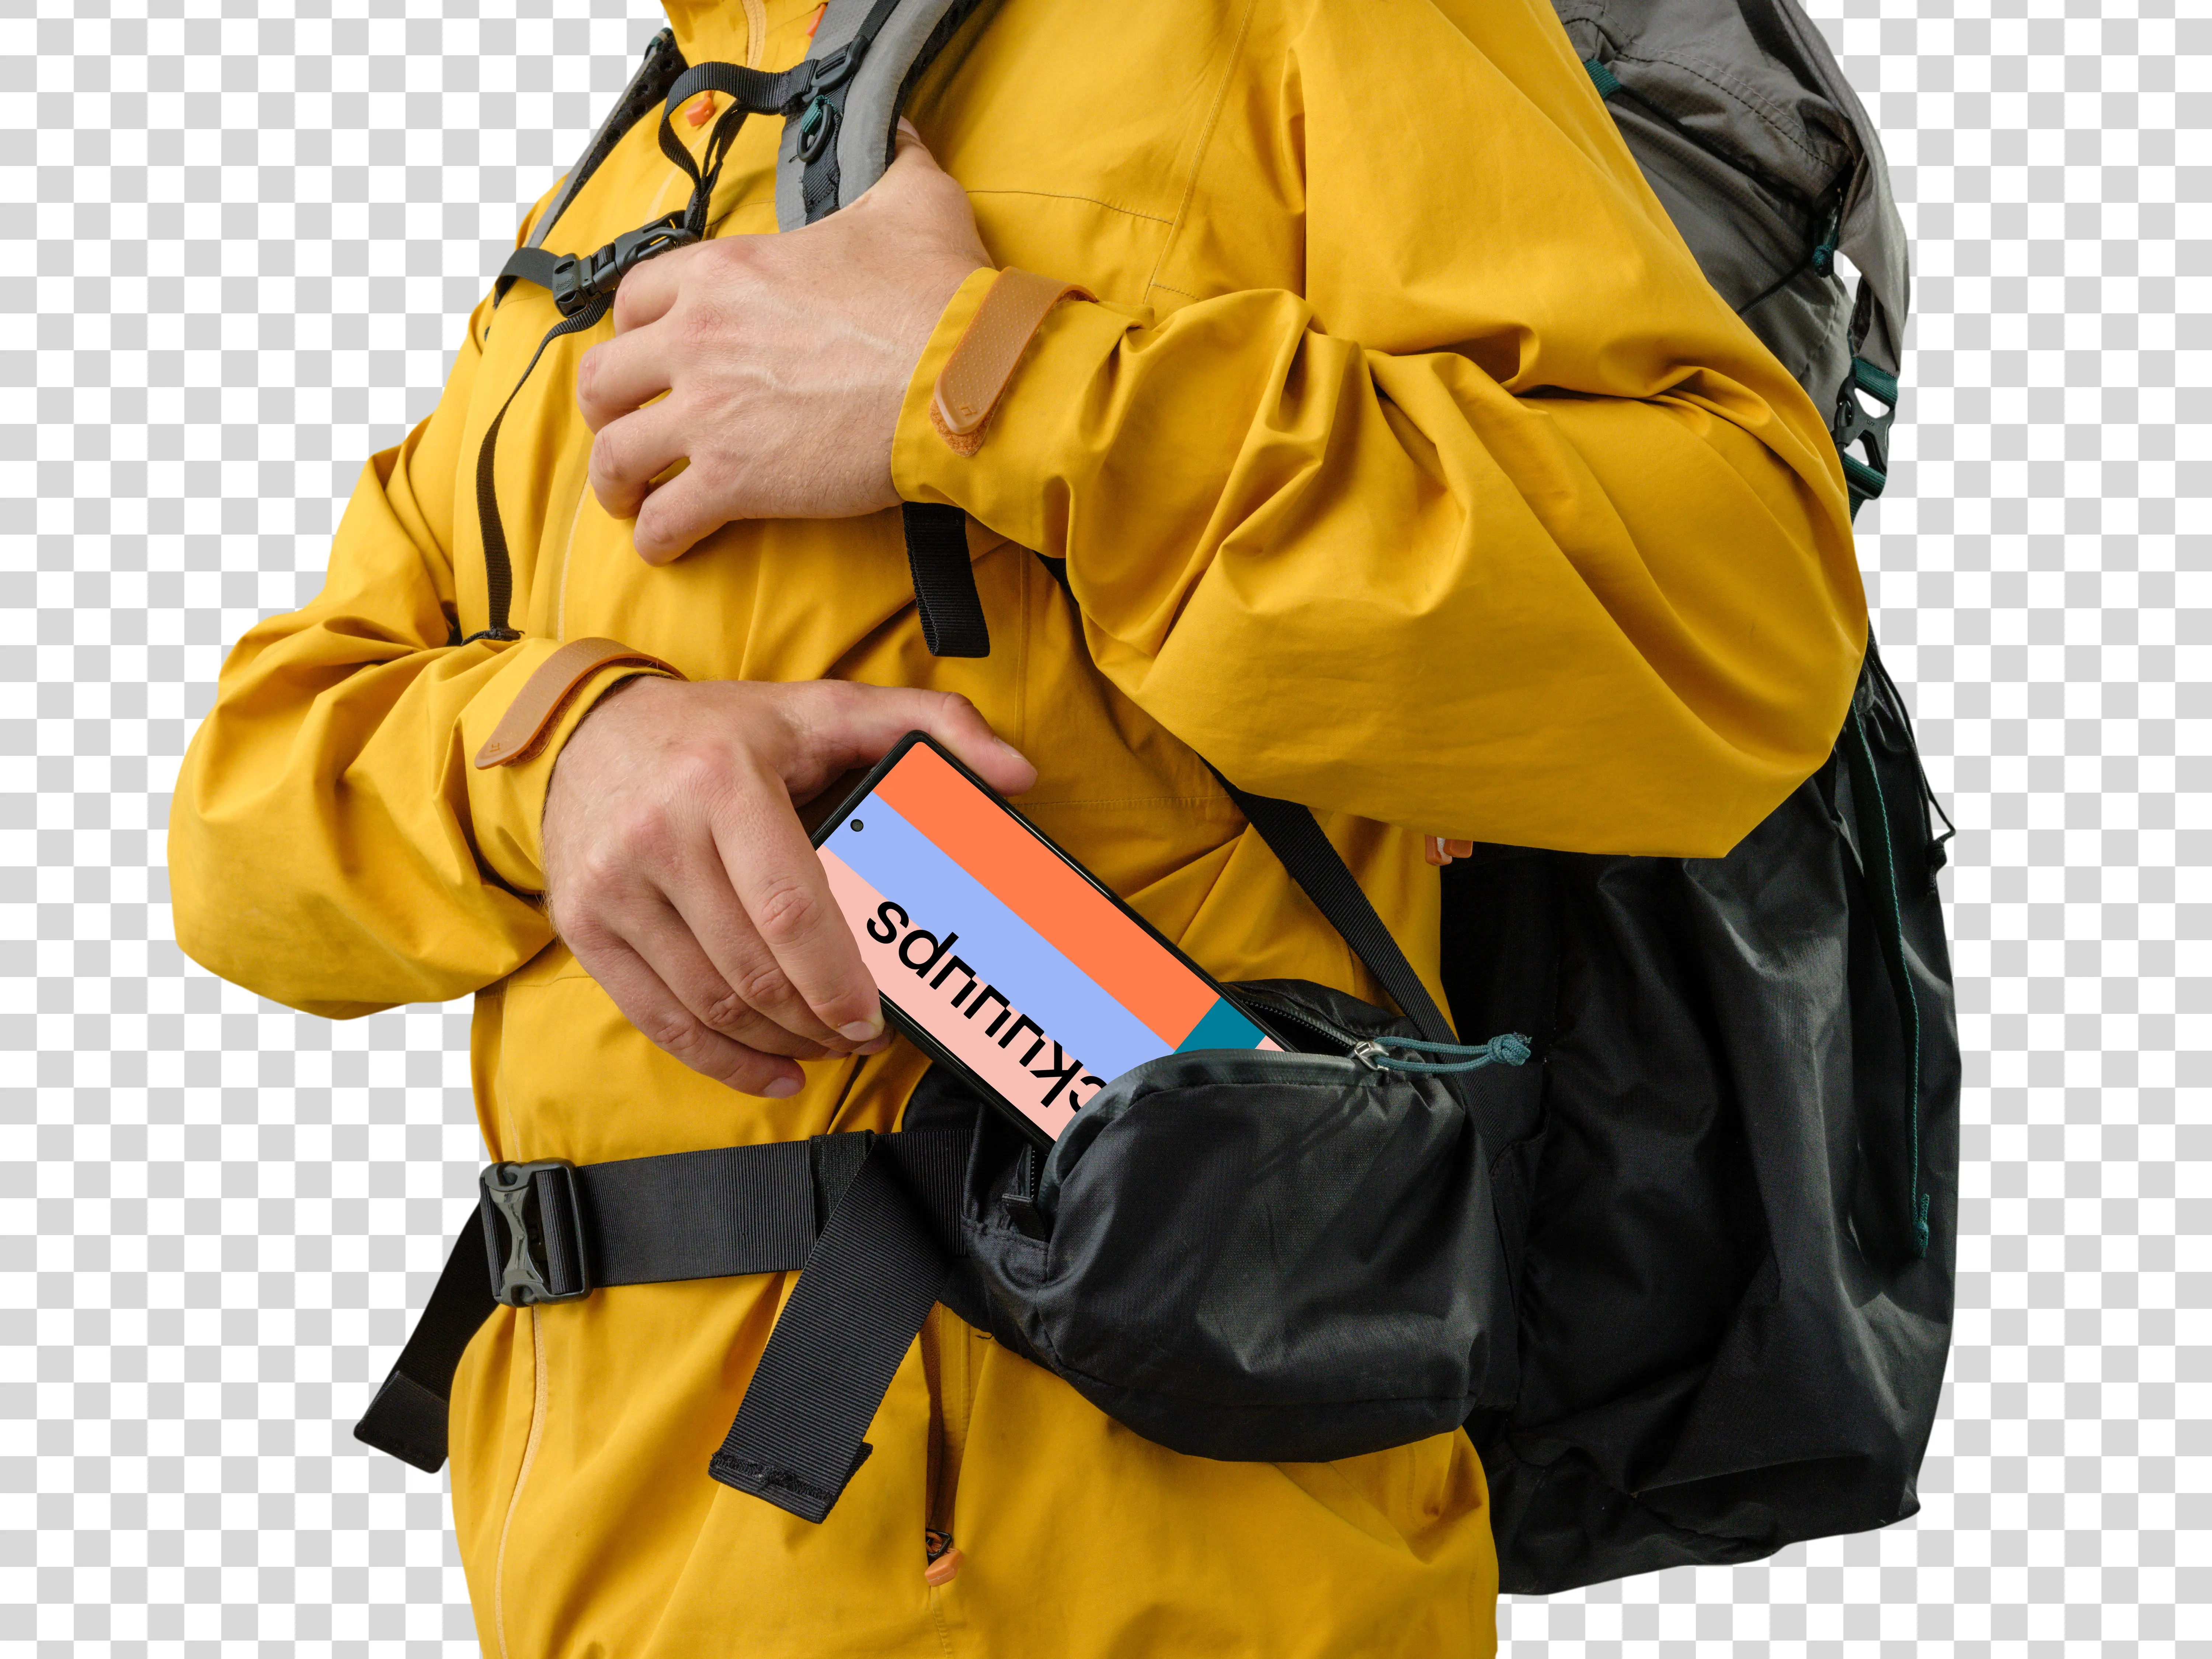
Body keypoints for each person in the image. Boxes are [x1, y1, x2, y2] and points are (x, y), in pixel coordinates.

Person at [168, 0, 1864, 1652]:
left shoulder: (1300, 23)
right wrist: (557, 757)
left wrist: (989, 379)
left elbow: (1724, 630)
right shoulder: (635, 174)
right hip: (598, 1577)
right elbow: (242, 832)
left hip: (1167, 1576)